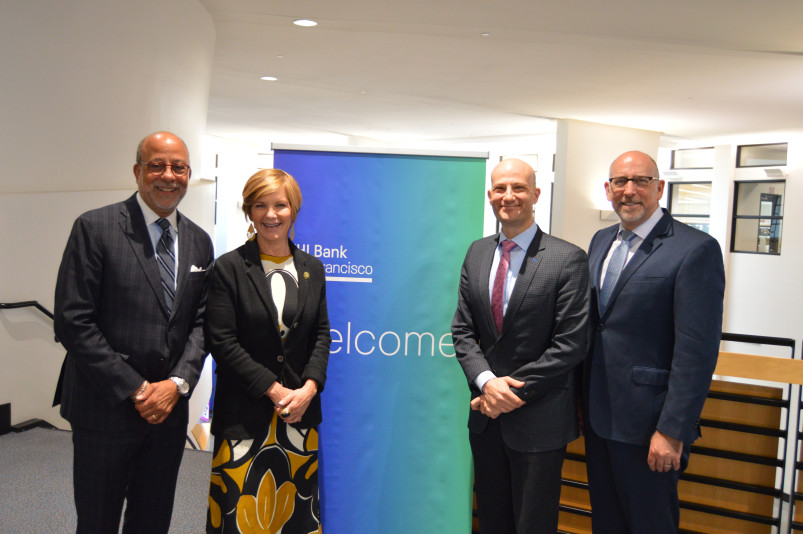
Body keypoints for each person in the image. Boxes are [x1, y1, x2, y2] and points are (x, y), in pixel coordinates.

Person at [53, 131, 214, 533]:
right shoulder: (95, 227)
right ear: (138, 171)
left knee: (152, 521)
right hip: (104, 406)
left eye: (178, 167)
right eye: (157, 164)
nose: (168, 175)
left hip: (168, 413)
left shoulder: (199, 241)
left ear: (188, 174)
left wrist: (176, 384)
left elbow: (202, 324)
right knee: (97, 521)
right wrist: (140, 389)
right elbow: (74, 320)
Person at [583, 150, 725, 533]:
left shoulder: (694, 249)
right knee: (607, 523)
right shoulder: (600, 241)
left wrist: (672, 430)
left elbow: (696, 352)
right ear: (608, 190)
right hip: (600, 419)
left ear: (659, 187)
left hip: (650, 427)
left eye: (641, 181)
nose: (629, 191)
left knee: (650, 525)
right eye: (620, 182)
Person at [451, 158, 589, 533]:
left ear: (536, 195)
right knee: (493, 521)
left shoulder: (568, 259)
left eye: (518, 188)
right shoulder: (477, 253)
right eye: (500, 189)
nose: (508, 196)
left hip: (539, 419)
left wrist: (508, 392)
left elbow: (570, 344)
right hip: (486, 421)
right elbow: (463, 332)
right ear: (490, 195)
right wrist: (487, 383)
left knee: (533, 525)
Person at [205, 169, 330, 533]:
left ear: (294, 209)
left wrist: (309, 389)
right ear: (249, 211)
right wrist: (273, 390)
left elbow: (321, 334)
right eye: (260, 205)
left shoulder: (313, 269)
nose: (270, 214)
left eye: (280, 205)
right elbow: (222, 342)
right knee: (237, 517)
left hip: (298, 414)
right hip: (244, 414)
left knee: (294, 517)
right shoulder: (228, 268)